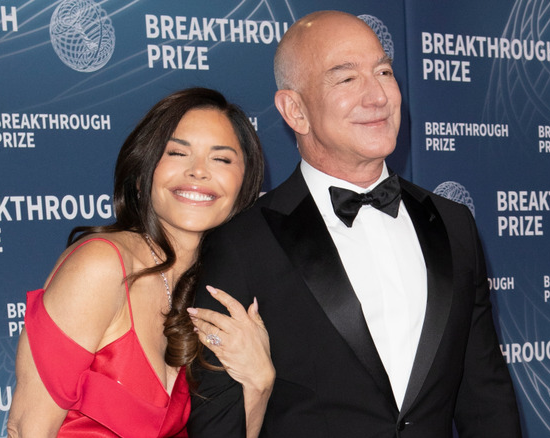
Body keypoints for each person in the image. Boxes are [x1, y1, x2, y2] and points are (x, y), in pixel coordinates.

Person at [186, 11, 522, 437]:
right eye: (346, 79)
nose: (378, 95)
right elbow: (218, 424)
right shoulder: (243, 242)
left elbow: (486, 397)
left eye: (383, 71)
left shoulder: (453, 224)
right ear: (295, 110)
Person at [7, 87, 274, 438]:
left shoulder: (219, 288)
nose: (198, 172)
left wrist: (259, 383)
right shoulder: (102, 265)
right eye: (178, 153)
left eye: (221, 159)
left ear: (245, 185)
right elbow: (27, 428)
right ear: (143, 170)